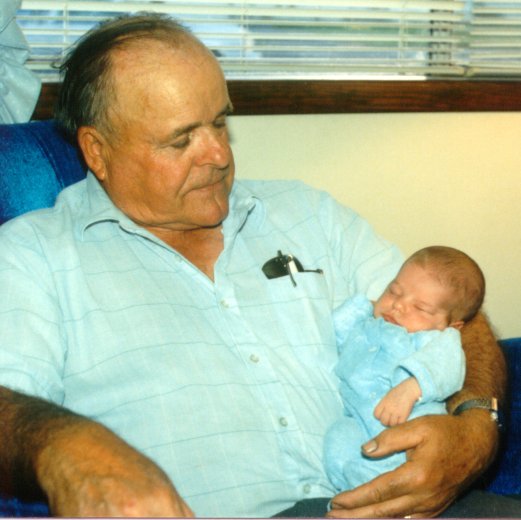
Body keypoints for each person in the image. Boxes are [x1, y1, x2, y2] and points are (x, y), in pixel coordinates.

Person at [0, 12, 515, 519]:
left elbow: (450, 315)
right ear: (97, 150)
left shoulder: (307, 213)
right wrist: (67, 446)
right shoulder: (34, 256)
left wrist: (476, 425)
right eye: (181, 140)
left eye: (220, 122)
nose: (218, 154)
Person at [324, 246, 483, 492]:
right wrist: (359, 306)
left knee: (413, 449)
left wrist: (411, 389)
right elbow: (331, 333)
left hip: (410, 416)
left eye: (420, 308)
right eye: (393, 291)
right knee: (337, 439)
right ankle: (351, 490)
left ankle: (385, 488)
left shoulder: (436, 339)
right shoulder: (368, 324)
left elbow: (448, 369)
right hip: (357, 417)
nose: (398, 306)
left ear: (452, 325)